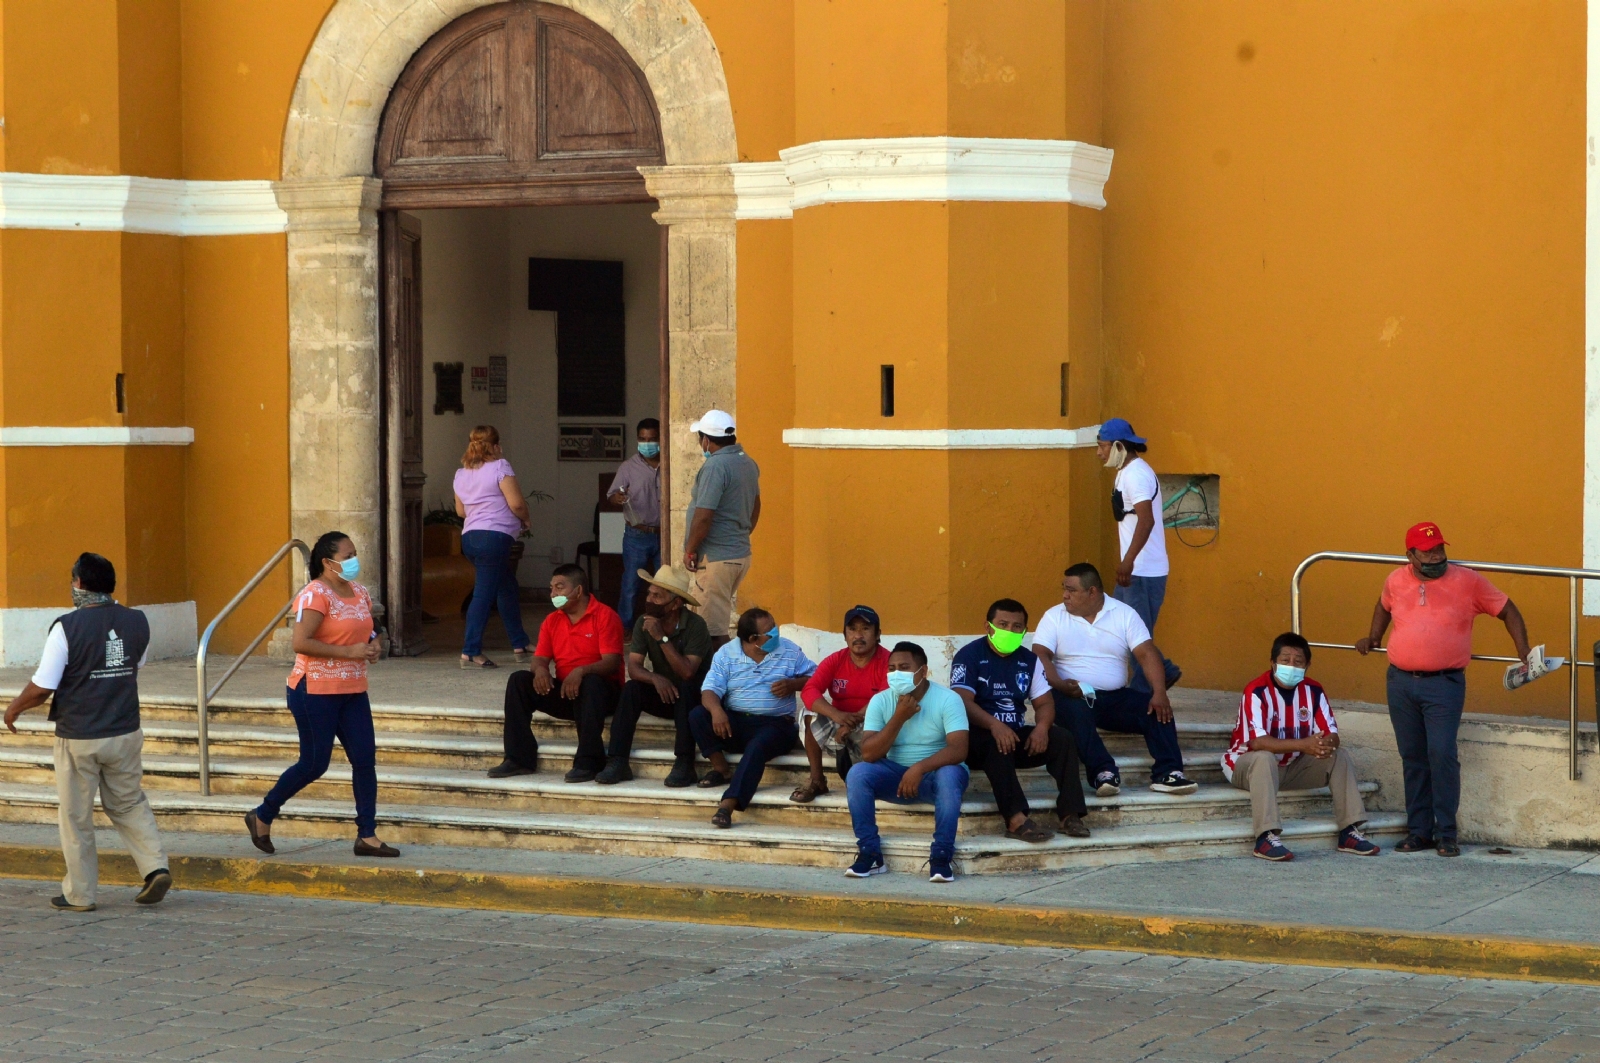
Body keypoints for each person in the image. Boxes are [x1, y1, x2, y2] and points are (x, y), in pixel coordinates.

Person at [2, 553, 170, 911]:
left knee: (76, 815)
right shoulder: (137, 621)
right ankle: (155, 867)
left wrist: (14, 707)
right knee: (127, 802)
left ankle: (80, 894)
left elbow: (44, 686)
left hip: (80, 734)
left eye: (73, 580)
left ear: (79, 584)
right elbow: (132, 665)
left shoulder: (67, 627)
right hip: (124, 730)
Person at [1355, 521, 1531, 858]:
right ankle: (1418, 831)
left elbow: (1507, 609)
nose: (1437, 556)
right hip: (1401, 682)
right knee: (1413, 757)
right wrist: (1374, 637)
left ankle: (1446, 833)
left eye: (1440, 549)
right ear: (1410, 555)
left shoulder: (1468, 581)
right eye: (1428, 552)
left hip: (1444, 684)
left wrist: (1522, 648)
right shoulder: (1395, 579)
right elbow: (1383, 605)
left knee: (1442, 755)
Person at [246, 532, 398, 859]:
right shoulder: (314, 595)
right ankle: (263, 814)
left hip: (353, 690)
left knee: (364, 759)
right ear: (328, 563)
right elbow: (301, 642)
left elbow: (370, 627)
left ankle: (367, 835)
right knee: (314, 764)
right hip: (314, 690)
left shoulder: (359, 591)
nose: (354, 561)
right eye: (348, 556)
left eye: (355, 553)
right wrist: (349, 652)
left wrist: (373, 644)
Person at [1033, 562, 1199, 797]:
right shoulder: (1054, 616)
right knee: (1075, 713)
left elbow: (1146, 653)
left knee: (1156, 709)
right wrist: (1060, 685)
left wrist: (1159, 692)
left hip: (1114, 697)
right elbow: (1040, 655)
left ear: (1092, 592)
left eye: (1071, 590)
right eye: (1064, 588)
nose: (1065, 595)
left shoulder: (1124, 613)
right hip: (1072, 695)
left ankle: (1169, 773)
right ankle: (1103, 773)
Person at [1223, 632, 1379, 861]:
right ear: (1273, 663)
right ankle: (1265, 837)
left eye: (1298, 662)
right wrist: (1304, 744)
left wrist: (1325, 743)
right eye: (1285, 660)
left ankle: (1349, 831)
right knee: (1264, 757)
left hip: (1292, 767)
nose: (1291, 666)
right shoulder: (1256, 691)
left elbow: (1332, 734)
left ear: (1308, 665)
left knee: (1338, 756)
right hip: (1246, 767)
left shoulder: (1313, 691)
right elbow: (1257, 742)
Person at [952, 598, 1090, 842]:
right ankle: (1016, 820)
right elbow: (962, 701)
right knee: (998, 741)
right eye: (1003, 624)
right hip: (975, 740)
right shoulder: (969, 656)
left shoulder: (1029, 660)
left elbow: (1044, 702)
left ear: (1025, 631)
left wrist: (1042, 728)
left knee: (1063, 739)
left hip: (1013, 737)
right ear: (988, 627)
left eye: (1017, 627)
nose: (1010, 631)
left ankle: (1070, 814)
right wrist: (995, 725)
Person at [845, 642, 971, 883]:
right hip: (895, 776)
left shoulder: (948, 699)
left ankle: (942, 856)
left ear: (923, 671)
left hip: (935, 775)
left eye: (904, 667)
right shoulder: (880, 701)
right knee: (858, 773)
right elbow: (869, 754)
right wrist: (899, 717)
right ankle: (870, 853)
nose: (896, 674)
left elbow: (959, 749)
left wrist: (919, 768)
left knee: (949, 774)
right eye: (891, 668)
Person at [490, 564, 624, 783]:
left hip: (601, 693)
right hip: (566, 691)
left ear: (578, 591)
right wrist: (541, 670)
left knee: (590, 682)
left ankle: (589, 761)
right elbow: (540, 657)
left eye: (560, 588)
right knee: (519, 680)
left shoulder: (604, 616)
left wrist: (581, 671)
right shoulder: (552, 620)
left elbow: (612, 663)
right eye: (551, 588)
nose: (553, 594)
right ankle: (518, 759)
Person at [688, 608, 814, 828]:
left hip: (776, 725)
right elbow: (709, 691)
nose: (776, 632)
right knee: (698, 715)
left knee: (757, 746)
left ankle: (728, 804)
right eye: (770, 630)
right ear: (753, 639)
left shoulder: (790, 651)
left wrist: (793, 684)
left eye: (774, 626)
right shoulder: (726, 654)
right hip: (735, 722)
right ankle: (721, 769)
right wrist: (717, 711)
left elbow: (816, 676)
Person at [599, 565, 711, 788]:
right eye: (649, 593)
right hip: (666, 693)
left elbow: (688, 671)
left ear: (675, 603)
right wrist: (655, 678)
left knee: (689, 687)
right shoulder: (644, 622)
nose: (649, 599)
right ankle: (618, 760)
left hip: (695, 698)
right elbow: (635, 667)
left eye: (657, 596)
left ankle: (684, 763)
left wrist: (662, 638)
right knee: (632, 689)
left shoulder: (696, 625)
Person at [1097, 417, 1180, 691]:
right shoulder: (1126, 471)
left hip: (1143, 571)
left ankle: (1146, 691)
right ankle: (1162, 672)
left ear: (1118, 446)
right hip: (1137, 570)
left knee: (1137, 639)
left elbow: (1146, 520)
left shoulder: (1136, 475)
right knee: (1124, 632)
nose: (1100, 453)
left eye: (1103, 446)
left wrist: (1128, 561)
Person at [453, 425, 532, 669]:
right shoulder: (500, 467)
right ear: (496, 446)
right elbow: (517, 504)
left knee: (506, 586)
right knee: (484, 594)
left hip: (470, 538)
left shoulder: (461, 473)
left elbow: (460, 511)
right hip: (494, 538)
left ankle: (520, 643)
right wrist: (526, 519)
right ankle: (470, 650)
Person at [793, 605, 889, 804]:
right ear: (844, 635)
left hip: (873, 726)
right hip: (841, 725)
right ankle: (817, 780)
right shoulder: (836, 660)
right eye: (852, 629)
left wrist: (849, 723)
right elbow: (810, 690)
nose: (858, 635)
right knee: (808, 713)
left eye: (865, 628)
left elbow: (885, 698)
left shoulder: (888, 660)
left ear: (878, 634)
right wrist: (836, 715)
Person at [682, 409, 760, 644]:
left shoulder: (716, 466)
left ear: (706, 440)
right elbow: (756, 507)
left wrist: (690, 550)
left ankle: (720, 680)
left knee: (711, 633)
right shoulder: (747, 462)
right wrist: (740, 534)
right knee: (714, 624)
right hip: (738, 554)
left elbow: (704, 516)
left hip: (716, 558)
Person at [607, 418, 663, 632]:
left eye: (652, 439)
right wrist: (618, 498)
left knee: (665, 586)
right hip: (637, 534)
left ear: (661, 438)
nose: (647, 443)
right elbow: (612, 495)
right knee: (631, 584)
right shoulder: (628, 467)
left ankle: (662, 626)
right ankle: (625, 629)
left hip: (664, 534)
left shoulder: (672, 462)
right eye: (642, 439)